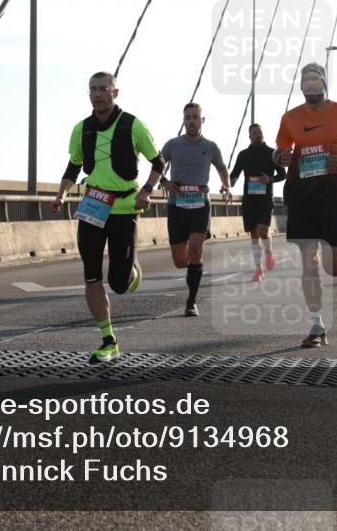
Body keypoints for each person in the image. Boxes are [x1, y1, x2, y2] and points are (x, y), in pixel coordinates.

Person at [51, 71, 165, 364]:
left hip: (125, 207)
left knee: (118, 283)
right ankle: (108, 339)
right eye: (93, 89)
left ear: (115, 93)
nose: (97, 94)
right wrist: (61, 194)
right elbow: (73, 166)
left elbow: (158, 162)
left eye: (103, 89)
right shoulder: (81, 129)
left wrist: (148, 190)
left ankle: (130, 269)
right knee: (91, 274)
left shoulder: (132, 125)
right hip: (93, 206)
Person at [273, 62, 337, 348]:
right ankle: (317, 324)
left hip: (331, 196)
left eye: (316, 81)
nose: (311, 86)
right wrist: (281, 158)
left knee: (329, 265)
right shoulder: (290, 118)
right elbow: (279, 151)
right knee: (309, 262)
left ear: (324, 84)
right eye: (306, 81)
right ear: (301, 86)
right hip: (300, 196)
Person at [160, 103, 232, 317]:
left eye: (195, 117)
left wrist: (227, 186)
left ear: (203, 120)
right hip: (177, 205)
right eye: (188, 117)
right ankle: (193, 270)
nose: (192, 121)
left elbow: (222, 169)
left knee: (196, 248)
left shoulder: (211, 147)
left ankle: (191, 302)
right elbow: (157, 165)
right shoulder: (172, 145)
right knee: (181, 261)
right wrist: (164, 181)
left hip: (201, 204)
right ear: (183, 121)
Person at [230, 123, 286, 282]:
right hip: (249, 200)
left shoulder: (272, 154)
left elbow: (283, 174)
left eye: (259, 132)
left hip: (265, 200)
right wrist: (230, 182)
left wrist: (270, 179)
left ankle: (268, 252)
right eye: (254, 133)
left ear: (263, 134)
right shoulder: (243, 154)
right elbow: (235, 173)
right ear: (249, 136)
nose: (257, 135)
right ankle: (258, 269)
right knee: (254, 234)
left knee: (262, 230)